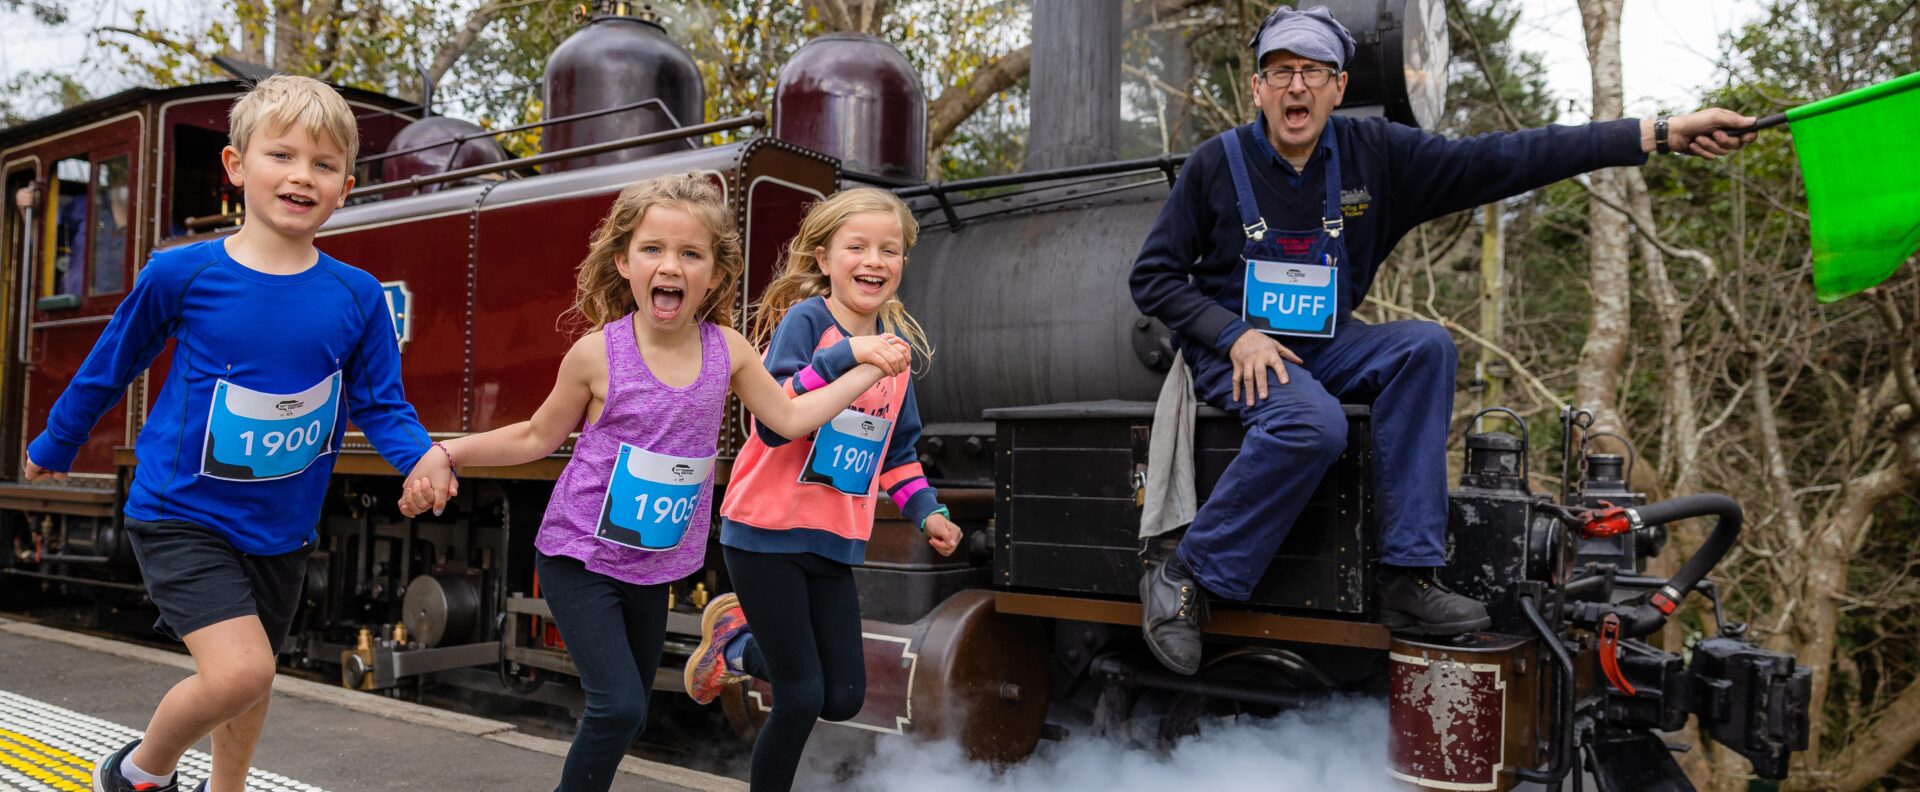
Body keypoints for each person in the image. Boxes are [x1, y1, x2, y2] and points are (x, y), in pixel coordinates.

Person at [1129, 5, 1758, 676]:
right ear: (1257, 88)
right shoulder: (1214, 165)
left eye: (1313, 71)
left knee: (1425, 346)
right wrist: (1232, 335)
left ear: (1339, 88)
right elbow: (1154, 277)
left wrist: (1660, 132)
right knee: (1312, 425)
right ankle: (1183, 574)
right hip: (1240, 355)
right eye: (1280, 71)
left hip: (1328, 344)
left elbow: (1513, 155)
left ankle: (1407, 580)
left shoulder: (1378, 155)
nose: (1296, 86)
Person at [397, 173, 908, 792]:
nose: (671, 265)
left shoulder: (730, 351)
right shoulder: (596, 354)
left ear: (714, 276)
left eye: (691, 254)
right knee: (619, 707)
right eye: (653, 250)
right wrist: (446, 453)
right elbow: (536, 437)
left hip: (653, 563)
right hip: (579, 553)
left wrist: (861, 366)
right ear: (624, 261)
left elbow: (791, 418)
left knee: (630, 712)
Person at [21, 75, 455, 792]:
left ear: (346, 186)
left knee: (252, 679)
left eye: (322, 165)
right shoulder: (183, 274)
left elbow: (381, 404)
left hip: (279, 528)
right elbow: (112, 363)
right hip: (180, 512)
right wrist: (54, 445)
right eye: (281, 156)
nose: (300, 176)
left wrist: (421, 458)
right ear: (236, 168)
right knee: (242, 667)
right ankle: (136, 773)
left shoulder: (356, 296)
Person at [680, 188, 962, 792]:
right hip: (764, 533)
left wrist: (928, 513)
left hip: (834, 542)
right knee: (801, 696)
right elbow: (774, 419)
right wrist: (846, 357)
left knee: (843, 696)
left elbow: (898, 452)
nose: (874, 260)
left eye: (890, 250)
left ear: (903, 264)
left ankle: (736, 643)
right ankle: (738, 652)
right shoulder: (808, 322)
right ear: (824, 256)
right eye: (857, 246)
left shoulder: (897, 356)